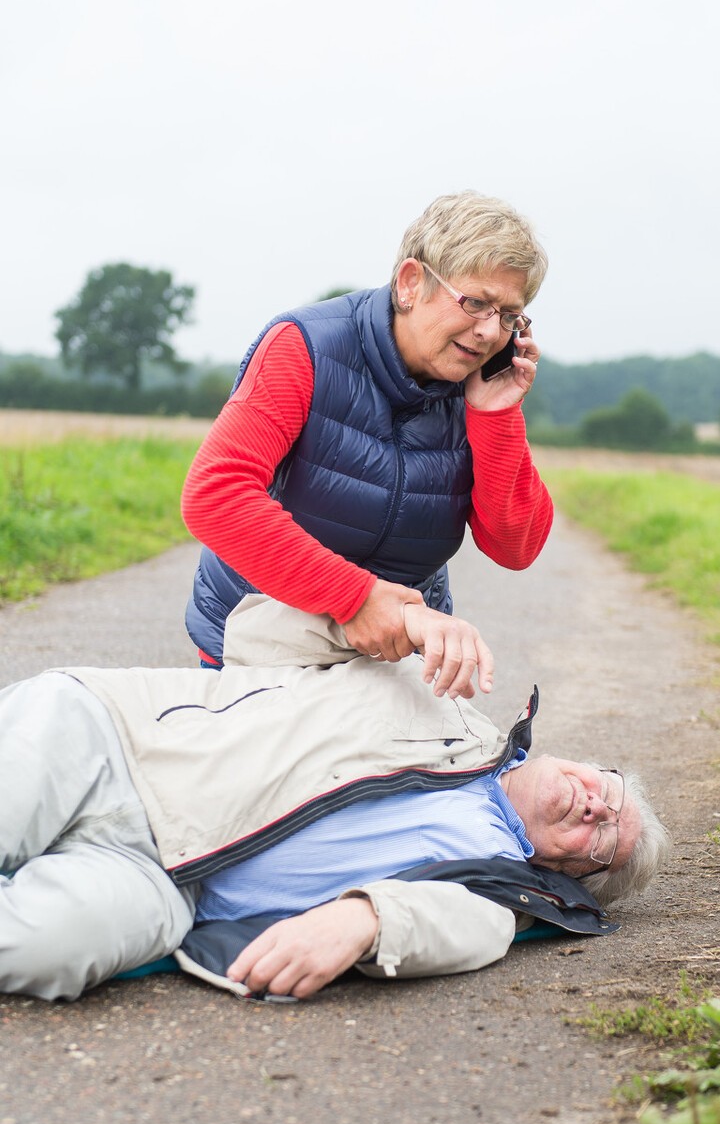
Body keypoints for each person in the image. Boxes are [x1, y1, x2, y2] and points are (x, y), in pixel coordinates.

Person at [0, 601, 670, 1003]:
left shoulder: (500, 897)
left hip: (168, 888)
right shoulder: (433, 687)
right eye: (604, 788)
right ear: (566, 757)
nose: (595, 809)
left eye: (604, 841)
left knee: (46, 947)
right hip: (119, 742)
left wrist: (366, 920)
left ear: (571, 877)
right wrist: (384, 612)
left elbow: (443, 928)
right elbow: (254, 633)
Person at [181, 190, 554, 669]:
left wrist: (497, 416)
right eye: (476, 302)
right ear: (410, 283)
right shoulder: (306, 347)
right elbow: (216, 496)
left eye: (507, 315)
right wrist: (354, 598)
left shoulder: (475, 386)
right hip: (266, 636)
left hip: (395, 653)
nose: (488, 332)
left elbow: (515, 547)